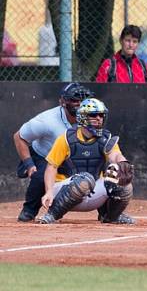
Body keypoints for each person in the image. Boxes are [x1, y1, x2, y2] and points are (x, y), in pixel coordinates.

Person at [38, 98, 136, 224]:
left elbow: (115, 155)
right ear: (82, 117)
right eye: (94, 115)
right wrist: (49, 191)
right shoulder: (67, 138)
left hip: (92, 192)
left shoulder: (106, 138)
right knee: (85, 179)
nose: (99, 118)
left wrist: (123, 163)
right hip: (64, 191)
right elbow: (51, 167)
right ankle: (52, 215)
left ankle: (112, 216)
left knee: (122, 182)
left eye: (101, 115)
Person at [14, 83, 94, 222]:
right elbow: (19, 137)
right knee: (41, 174)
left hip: (71, 157)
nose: (79, 104)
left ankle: (108, 213)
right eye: (74, 100)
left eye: (83, 100)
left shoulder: (93, 117)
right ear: (62, 102)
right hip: (44, 155)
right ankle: (29, 210)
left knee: (96, 168)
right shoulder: (47, 121)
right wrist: (29, 164)